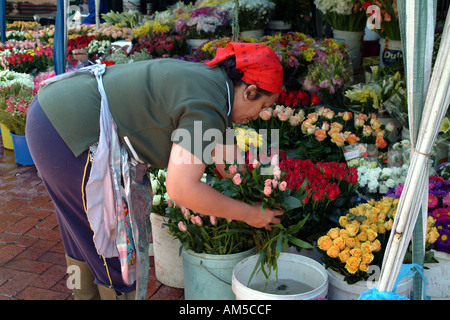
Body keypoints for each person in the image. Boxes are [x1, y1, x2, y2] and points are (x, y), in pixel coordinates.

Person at [25, 42, 284, 300]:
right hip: (68, 132)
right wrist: (248, 214)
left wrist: (250, 185)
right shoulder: (208, 106)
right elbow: (182, 189)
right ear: (250, 91)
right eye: (262, 107)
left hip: (51, 113)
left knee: (79, 235)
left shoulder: (212, 84)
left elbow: (224, 150)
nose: (259, 116)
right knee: (114, 248)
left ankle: (84, 295)